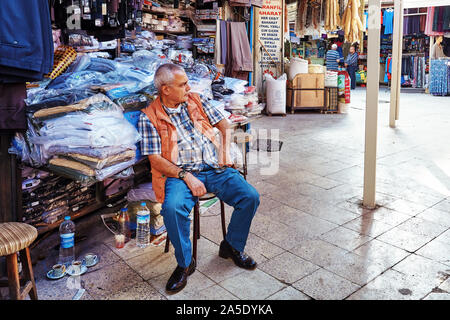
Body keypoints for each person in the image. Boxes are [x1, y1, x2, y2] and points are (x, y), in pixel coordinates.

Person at [138, 63, 260, 294]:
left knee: (250, 197)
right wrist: (187, 176)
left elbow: (224, 125)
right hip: (179, 174)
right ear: (165, 89)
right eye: (182, 84)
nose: (188, 87)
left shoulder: (195, 99)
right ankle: (185, 263)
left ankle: (231, 246)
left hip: (213, 167)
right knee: (172, 208)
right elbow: (155, 160)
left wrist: (223, 151)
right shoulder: (149, 117)